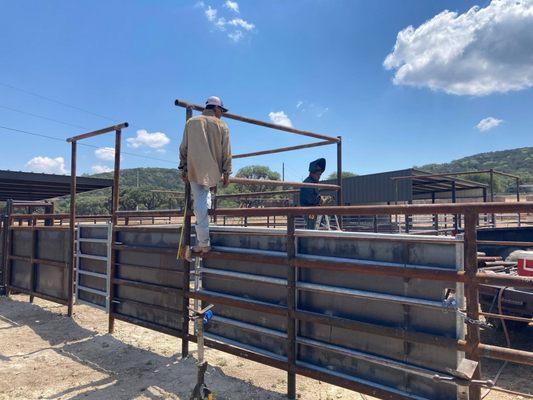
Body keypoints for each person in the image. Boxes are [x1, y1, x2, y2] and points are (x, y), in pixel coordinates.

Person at [179, 96, 232, 254]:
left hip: (195, 168)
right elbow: (226, 151)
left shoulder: (191, 122)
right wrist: (227, 172)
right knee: (201, 203)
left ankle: (202, 237)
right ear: (216, 109)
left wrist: (183, 167)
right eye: (221, 110)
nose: (221, 113)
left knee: (200, 200)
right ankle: (203, 242)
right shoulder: (222, 125)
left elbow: (183, 147)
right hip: (213, 170)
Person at [299, 158, 326, 229]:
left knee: (315, 226)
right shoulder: (308, 183)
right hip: (310, 210)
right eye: (318, 174)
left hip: (313, 210)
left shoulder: (313, 183)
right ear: (312, 172)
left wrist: (321, 199)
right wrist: (321, 200)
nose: (319, 176)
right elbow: (310, 199)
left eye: (320, 174)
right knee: (312, 227)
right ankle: (311, 239)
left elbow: (315, 196)